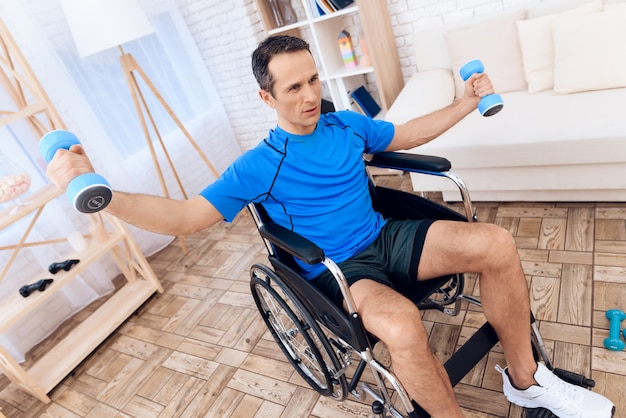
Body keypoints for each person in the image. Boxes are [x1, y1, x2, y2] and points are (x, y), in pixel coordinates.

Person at [46, 35, 614, 418]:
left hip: (386, 235)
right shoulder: (258, 164)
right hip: (341, 271)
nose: (311, 95)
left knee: (496, 242)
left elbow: (405, 134)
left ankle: (526, 380)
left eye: (313, 80)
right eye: (293, 87)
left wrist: (466, 103)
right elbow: (187, 217)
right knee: (402, 324)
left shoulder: (344, 126)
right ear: (267, 96)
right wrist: (106, 197)